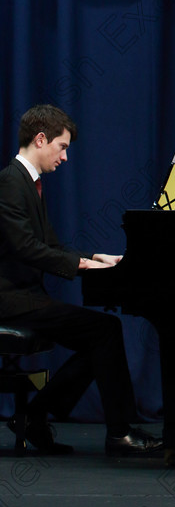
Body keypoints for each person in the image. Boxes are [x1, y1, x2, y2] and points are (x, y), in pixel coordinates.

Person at [0, 104, 162, 456]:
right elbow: (25, 248)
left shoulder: (27, 183)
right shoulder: (9, 183)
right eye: (62, 146)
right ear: (40, 139)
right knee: (103, 331)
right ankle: (116, 432)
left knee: (102, 335)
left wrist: (93, 257)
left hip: (24, 297)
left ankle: (37, 416)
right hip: (10, 300)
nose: (65, 157)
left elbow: (49, 246)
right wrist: (82, 266)